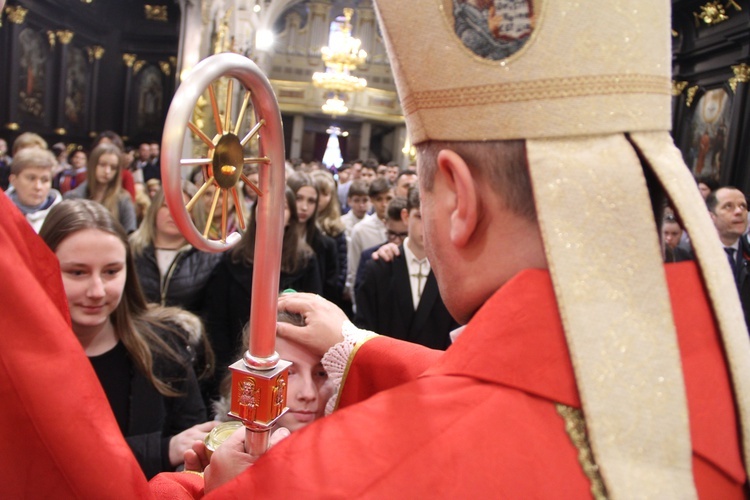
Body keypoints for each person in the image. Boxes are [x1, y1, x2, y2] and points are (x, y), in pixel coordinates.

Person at [156, 0, 750, 497]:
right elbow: (539, 391)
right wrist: (354, 349)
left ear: (460, 201)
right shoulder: (709, 387)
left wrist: (224, 489)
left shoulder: (352, 476)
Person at [38, 199, 216, 479]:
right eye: (77, 272)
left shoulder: (165, 345)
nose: (97, 290)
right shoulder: (18, 360)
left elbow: (193, 451)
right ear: (43, 268)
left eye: (111, 271)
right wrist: (159, 450)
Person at [202, 187, 321, 404]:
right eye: (265, 206)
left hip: (287, 363)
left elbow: (312, 317)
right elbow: (217, 318)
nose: (273, 212)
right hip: (232, 356)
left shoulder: (305, 260)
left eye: (282, 207)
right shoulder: (234, 258)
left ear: (291, 217)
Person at [356, 187, 457, 349]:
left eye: (435, 218)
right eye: (419, 217)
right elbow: (362, 332)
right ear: (405, 216)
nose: (427, 226)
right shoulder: (378, 268)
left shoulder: (452, 274)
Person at [130, 183, 222, 315]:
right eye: (166, 206)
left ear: (195, 215)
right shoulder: (131, 250)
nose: (173, 213)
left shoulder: (211, 259)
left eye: (185, 208)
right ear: (155, 209)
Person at [287, 172, 340, 304]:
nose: (304, 207)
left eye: (311, 201)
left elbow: (330, 293)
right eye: (298, 198)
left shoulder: (327, 245)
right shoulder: (271, 241)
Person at [64, 143, 137, 233]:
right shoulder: (72, 198)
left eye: (113, 167)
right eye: (102, 165)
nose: (107, 171)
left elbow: (130, 236)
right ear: (92, 165)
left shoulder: (123, 200)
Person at [707, 187, 750, 326]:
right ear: (711, 216)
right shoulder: (691, 256)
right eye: (728, 206)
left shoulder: (746, 254)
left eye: (743, 206)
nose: (739, 211)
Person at [4, 147, 62, 232]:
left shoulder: (62, 219)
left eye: (45, 180)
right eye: (31, 178)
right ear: (13, 180)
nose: (38, 187)